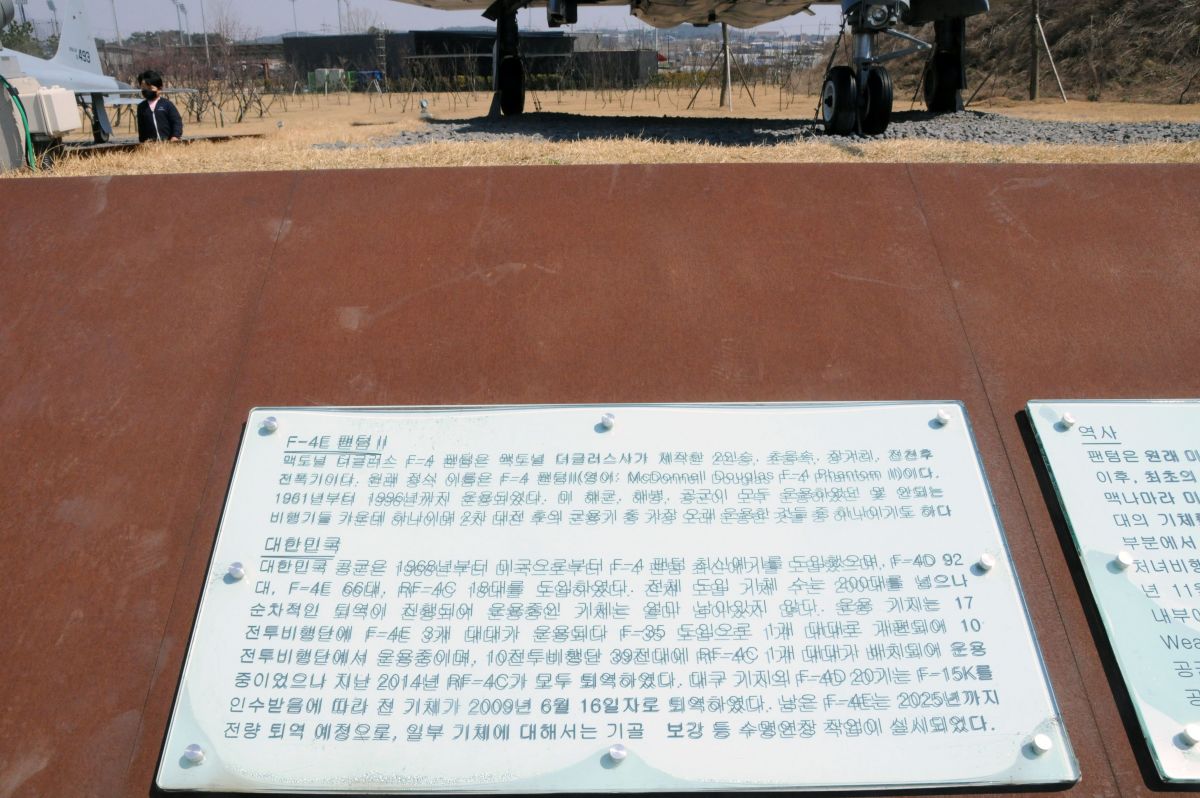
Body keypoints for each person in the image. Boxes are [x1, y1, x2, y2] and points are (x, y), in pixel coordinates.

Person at [136, 70, 183, 143]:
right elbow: (141, 128)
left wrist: (175, 136)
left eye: (150, 88)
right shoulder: (141, 107)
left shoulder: (167, 104)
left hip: (169, 143)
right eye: (144, 88)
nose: (146, 91)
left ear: (159, 89)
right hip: (151, 145)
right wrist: (143, 143)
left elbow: (177, 122)